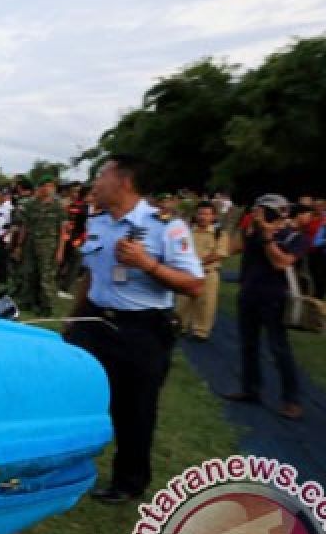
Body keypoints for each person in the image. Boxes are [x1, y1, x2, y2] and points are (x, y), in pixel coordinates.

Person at [65, 155, 203, 504]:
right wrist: (74, 318)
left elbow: (193, 284)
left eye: (102, 176)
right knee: (74, 393)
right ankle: (63, 466)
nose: (95, 183)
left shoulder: (166, 227)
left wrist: (148, 264)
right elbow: (91, 276)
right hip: (94, 321)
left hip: (140, 329)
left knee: (134, 409)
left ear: (124, 181)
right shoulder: (98, 223)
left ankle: (128, 482)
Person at [222, 194, 309, 419]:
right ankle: (251, 389)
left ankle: (292, 400)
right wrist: (246, 227)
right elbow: (232, 249)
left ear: (280, 213)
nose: (261, 215)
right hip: (249, 295)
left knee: (279, 349)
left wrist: (268, 235)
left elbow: (280, 263)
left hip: (274, 299)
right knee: (248, 345)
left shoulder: (293, 237)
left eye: (266, 211)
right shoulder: (253, 232)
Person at [175, 200, 229, 340]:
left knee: (206, 304)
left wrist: (197, 262)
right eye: (200, 213)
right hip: (187, 273)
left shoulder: (219, 233)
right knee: (182, 301)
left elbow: (219, 253)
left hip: (208, 273)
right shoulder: (187, 231)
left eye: (207, 214)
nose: (203, 217)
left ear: (213, 216)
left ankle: (201, 332)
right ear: (195, 214)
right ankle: (181, 326)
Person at [15, 175, 65, 315]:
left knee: (46, 276)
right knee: (29, 272)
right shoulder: (31, 204)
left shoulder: (58, 207)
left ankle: (46, 306)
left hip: (49, 246)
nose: (47, 189)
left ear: (54, 188)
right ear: (40, 188)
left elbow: (62, 231)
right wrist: (19, 245)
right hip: (30, 243)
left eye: (50, 186)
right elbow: (25, 226)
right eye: (44, 186)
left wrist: (60, 250)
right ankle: (27, 301)